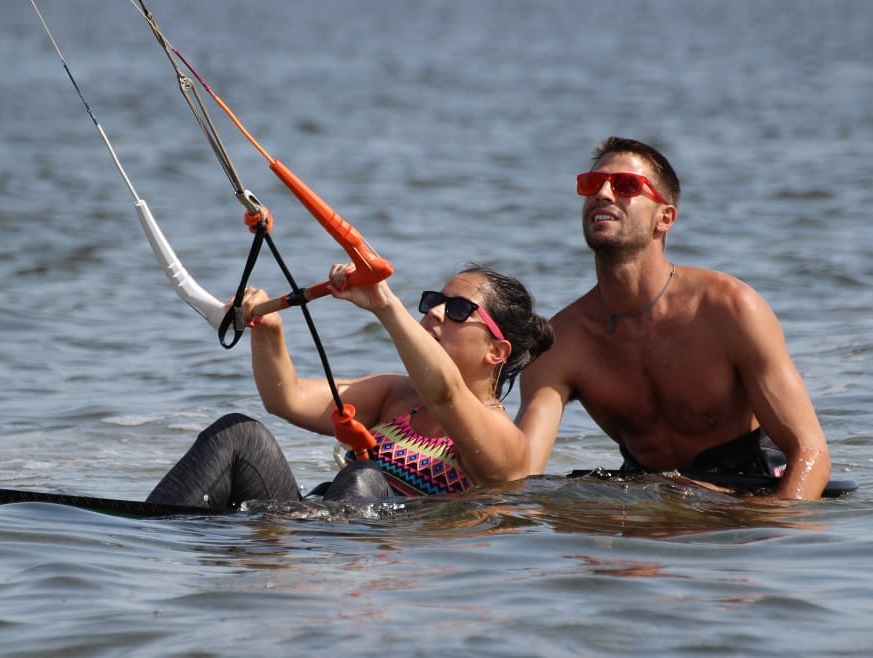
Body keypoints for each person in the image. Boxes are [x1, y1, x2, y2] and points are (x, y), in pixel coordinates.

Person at [517, 136, 832, 500]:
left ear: (664, 218)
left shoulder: (729, 308)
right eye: (591, 184)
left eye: (625, 185)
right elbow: (521, 471)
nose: (603, 194)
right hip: (646, 490)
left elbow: (811, 453)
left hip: (750, 488)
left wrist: (778, 524)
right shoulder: (562, 342)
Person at [146, 263, 555, 511]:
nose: (433, 311)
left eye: (459, 309)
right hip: (321, 534)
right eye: (433, 299)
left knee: (365, 479)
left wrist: (384, 305)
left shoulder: (508, 443)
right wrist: (268, 332)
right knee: (239, 434)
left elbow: (447, 394)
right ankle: (148, 539)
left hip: (383, 572)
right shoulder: (397, 395)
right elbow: (285, 397)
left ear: (496, 352)